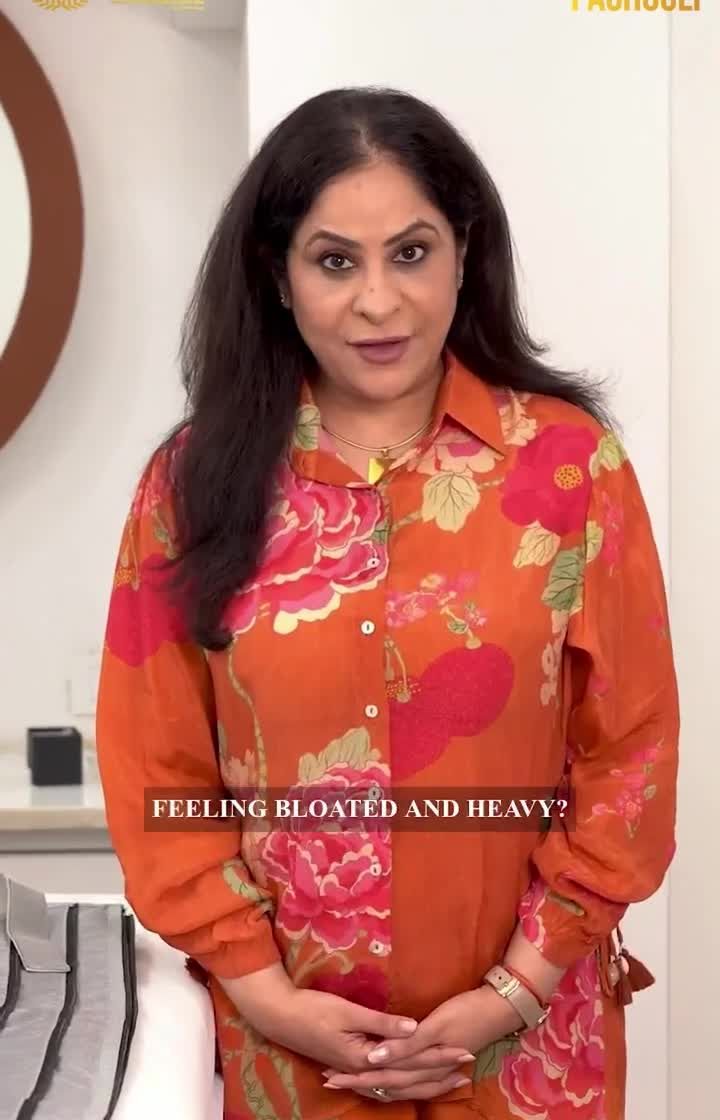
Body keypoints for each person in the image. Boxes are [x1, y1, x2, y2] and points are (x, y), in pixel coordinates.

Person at [95, 87, 680, 1120]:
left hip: (530, 1047)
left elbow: (628, 754)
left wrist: (515, 990)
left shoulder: (570, 467)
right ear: (276, 275)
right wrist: (267, 995)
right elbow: (158, 767)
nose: (378, 301)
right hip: (286, 1053)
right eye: (335, 261)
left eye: (410, 253)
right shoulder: (190, 488)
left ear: (463, 252)